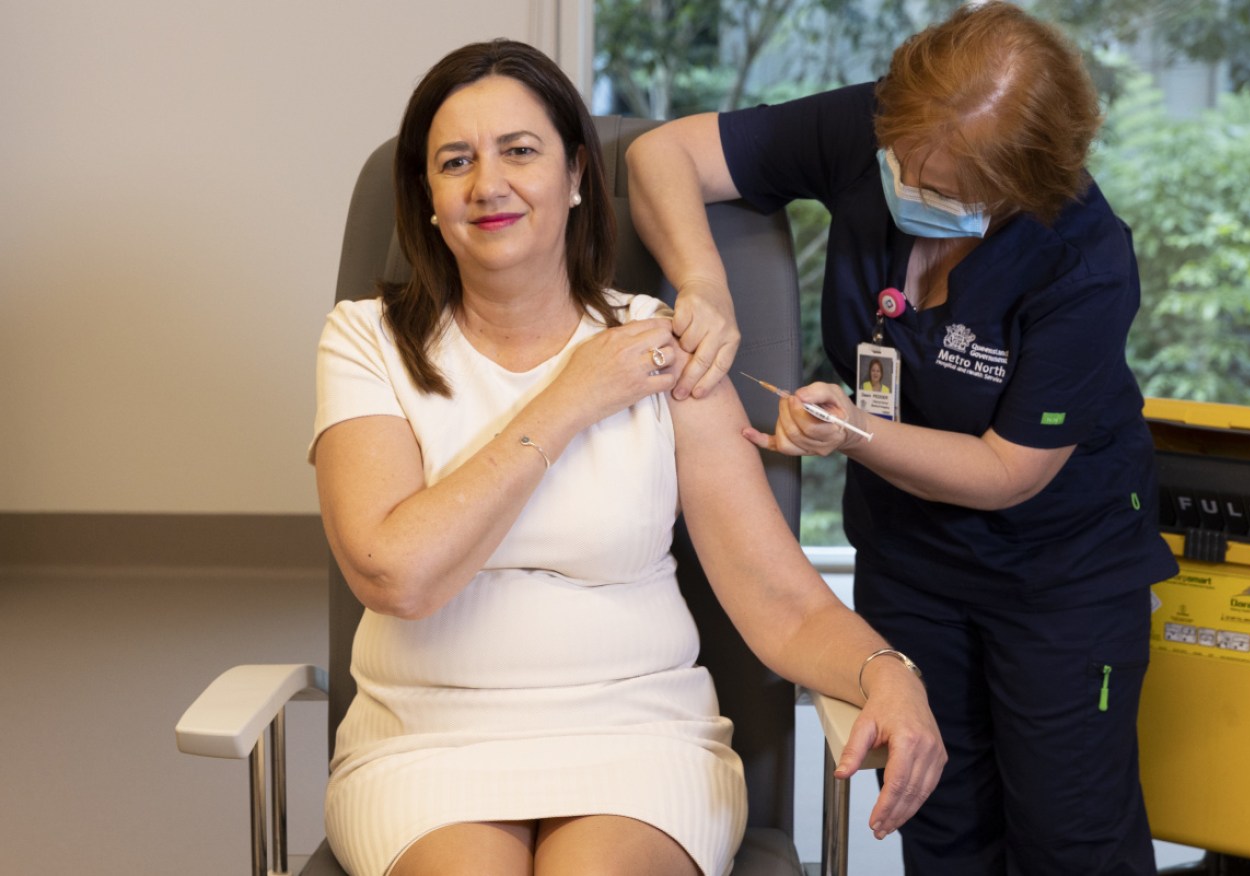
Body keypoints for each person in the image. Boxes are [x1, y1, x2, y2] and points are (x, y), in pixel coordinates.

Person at [310, 39, 944, 876]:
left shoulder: (662, 344)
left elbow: (776, 598)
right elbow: (397, 576)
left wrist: (886, 672)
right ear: (426, 197)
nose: (487, 184)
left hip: (637, 737)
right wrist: (574, 393)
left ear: (576, 176)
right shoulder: (366, 339)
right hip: (422, 735)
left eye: (520, 152)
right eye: (454, 161)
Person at [626, 3, 1179, 874]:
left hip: (1060, 578)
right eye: (901, 166)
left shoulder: (1083, 260)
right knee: (942, 827)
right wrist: (706, 285)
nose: (910, 191)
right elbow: (659, 152)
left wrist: (848, 430)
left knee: (1068, 838)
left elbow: (1006, 472)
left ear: (1022, 189)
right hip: (910, 560)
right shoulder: (876, 123)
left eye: (949, 190)